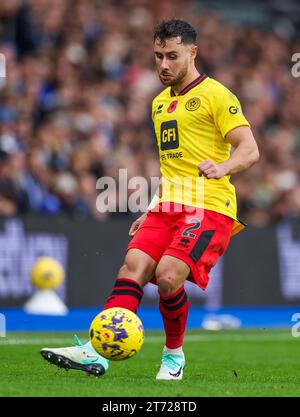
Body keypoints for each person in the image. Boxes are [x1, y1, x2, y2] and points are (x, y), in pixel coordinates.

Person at [41, 19, 259, 380]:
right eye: (158, 56)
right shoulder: (159, 104)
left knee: (168, 276)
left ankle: (173, 356)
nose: (163, 65)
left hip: (209, 205)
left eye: (172, 56)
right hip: (168, 206)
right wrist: (152, 207)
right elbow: (172, 167)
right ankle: (95, 352)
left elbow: (250, 149)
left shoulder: (216, 95)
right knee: (132, 266)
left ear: (193, 52)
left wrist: (224, 166)